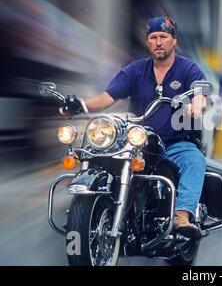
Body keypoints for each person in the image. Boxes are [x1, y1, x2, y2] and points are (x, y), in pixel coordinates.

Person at [61, 17, 207, 238]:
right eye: (153, 38)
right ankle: (99, 209)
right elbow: (108, 97)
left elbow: (201, 92)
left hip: (176, 142)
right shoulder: (136, 70)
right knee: (103, 155)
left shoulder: (188, 69)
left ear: (173, 40)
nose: (158, 42)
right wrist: (81, 106)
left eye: (164, 37)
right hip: (141, 141)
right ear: (148, 42)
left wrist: (198, 102)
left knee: (195, 161)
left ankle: (181, 215)